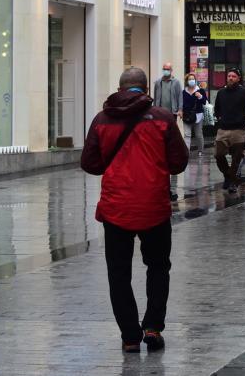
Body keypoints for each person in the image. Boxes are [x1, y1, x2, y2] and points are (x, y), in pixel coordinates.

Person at [81, 68, 188, 353]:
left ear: (120, 87)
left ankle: (130, 336)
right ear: (145, 87)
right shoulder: (163, 119)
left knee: (118, 272)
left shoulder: (103, 119)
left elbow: (89, 163)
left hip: (116, 207)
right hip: (154, 205)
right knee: (158, 266)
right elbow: (179, 162)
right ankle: (152, 328)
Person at [212, 69, 245, 193]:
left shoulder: (244, 92)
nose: (230, 78)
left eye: (233, 76)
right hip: (223, 129)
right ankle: (228, 176)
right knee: (218, 155)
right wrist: (219, 118)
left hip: (238, 130)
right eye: (229, 76)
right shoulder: (221, 93)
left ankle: (233, 183)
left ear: (238, 78)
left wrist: (243, 118)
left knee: (236, 158)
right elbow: (217, 108)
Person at [152, 62, 181, 200]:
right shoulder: (158, 82)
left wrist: (180, 110)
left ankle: (173, 189)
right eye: (164, 69)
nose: (165, 71)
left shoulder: (176, 83)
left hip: (172, 115)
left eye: (168, 69)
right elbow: (155, 96)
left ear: (171, 70)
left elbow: (179, 97)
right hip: (159, 115)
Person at [180, 74, 205, 157]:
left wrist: (200, 96)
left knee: (198, 134)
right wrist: (181, 111)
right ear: (187, 81)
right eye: (189, 79)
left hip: (198, 116)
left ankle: (200, 150)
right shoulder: (183, 92)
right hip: (187, 116)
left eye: (193, 79)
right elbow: (181, 103)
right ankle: (187, 152)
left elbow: (205, 102)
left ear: (195, 80)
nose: (191, 81)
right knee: (187, 135)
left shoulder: (200, 90)